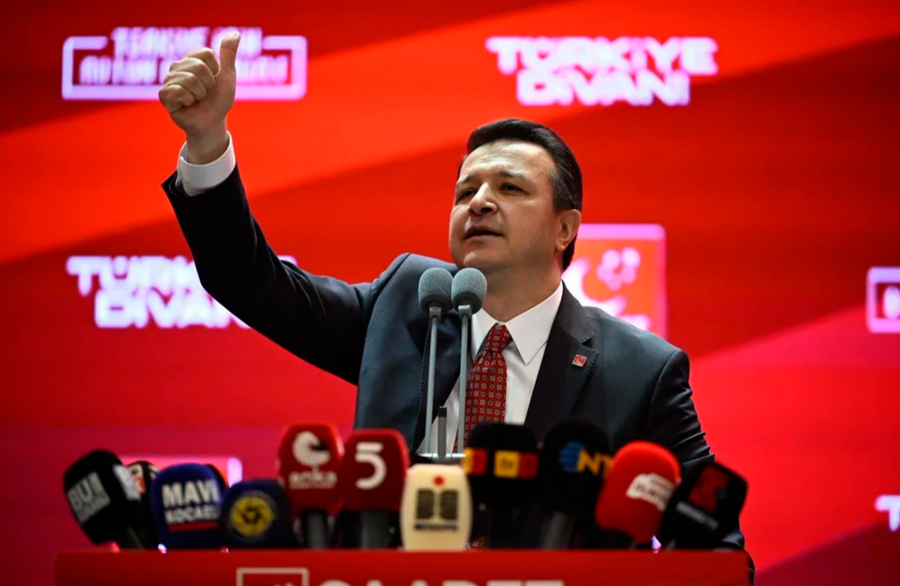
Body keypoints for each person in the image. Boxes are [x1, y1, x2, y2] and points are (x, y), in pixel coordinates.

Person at [159, 32, 752, 570]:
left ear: (564, 229)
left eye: (510, 187)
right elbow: (249, 281)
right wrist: (207, 143)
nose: (480, 202)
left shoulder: (640, 370)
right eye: (466, 190)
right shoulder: (407, 303)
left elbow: (718, 549)